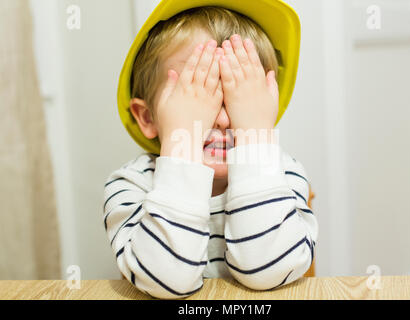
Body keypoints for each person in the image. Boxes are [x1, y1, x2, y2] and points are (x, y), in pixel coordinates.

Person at [103, 4, 318, 299]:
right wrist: (183, 144)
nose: (222, 119)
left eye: (239, 97)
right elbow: (167, 281)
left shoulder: (282, 173)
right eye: (196, 94)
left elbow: (269, 272)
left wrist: (255, 138)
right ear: (148, 117)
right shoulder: (131, 185)